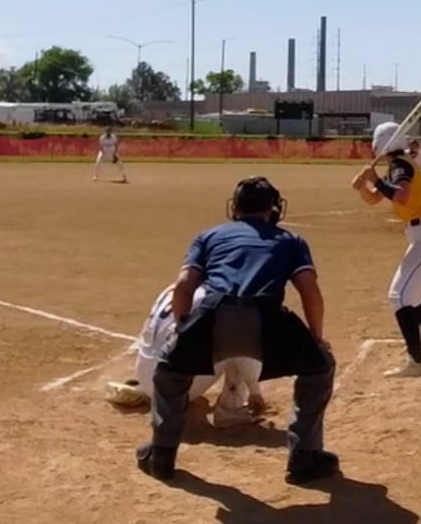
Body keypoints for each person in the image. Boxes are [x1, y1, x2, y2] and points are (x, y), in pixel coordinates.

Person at [136, 176, 338, 485]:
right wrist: (316, 338)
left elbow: (184, 286)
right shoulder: (290, 241)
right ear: (273, 208)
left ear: (235, 207)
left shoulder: (209, 236)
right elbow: (310, 292)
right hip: (267, 318)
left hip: (213, 314)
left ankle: (161, 455)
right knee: (320, 367)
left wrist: (182, 330)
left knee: (169, 370)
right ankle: (304, 457)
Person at [353, 121, 421, 377]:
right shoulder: (398, 165)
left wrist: (375, 179)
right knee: (411, 292)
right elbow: (374, 199)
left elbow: (401, 196)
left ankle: (416, 361)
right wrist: (364, 187)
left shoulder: (400, 165)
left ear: (380, 144)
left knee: (399, 295)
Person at [106, 283, 266, 427]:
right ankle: (230, 411)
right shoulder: (222, 297)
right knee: (242, 338)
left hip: (147, 376)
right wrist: (255, 392)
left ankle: (149, 392)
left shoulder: (176, 287)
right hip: (178, 389)